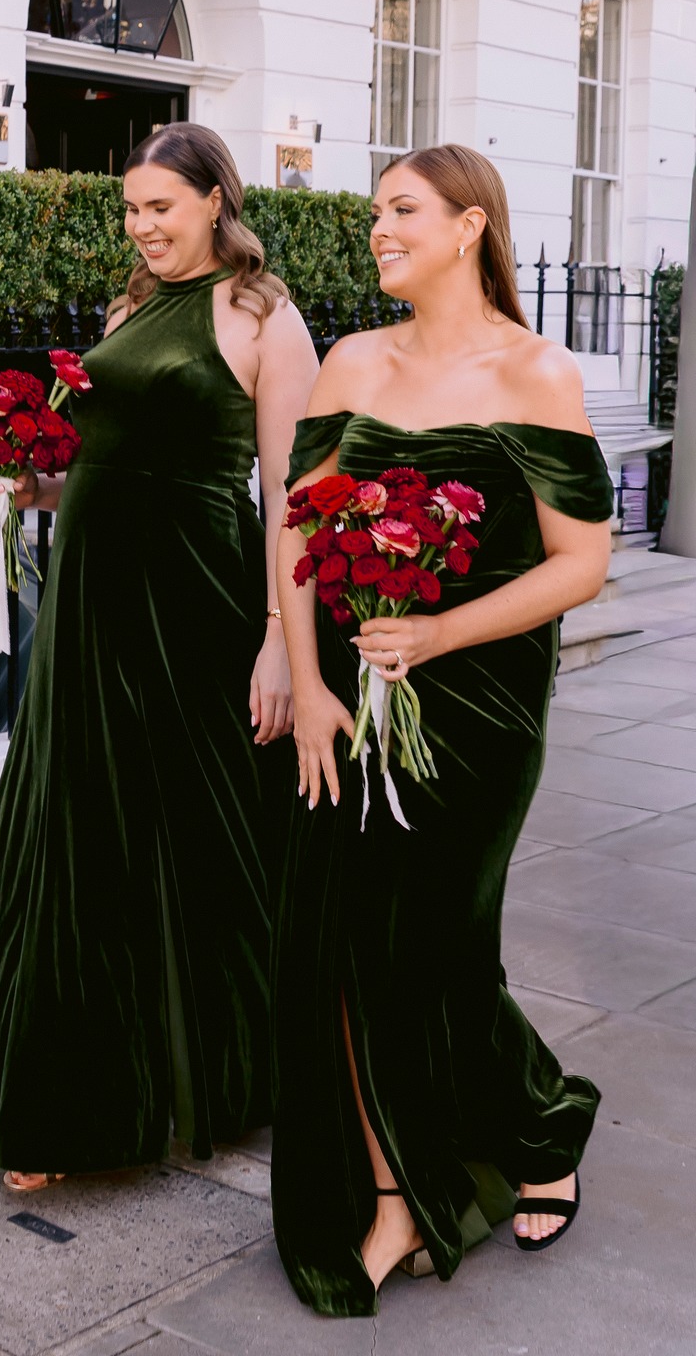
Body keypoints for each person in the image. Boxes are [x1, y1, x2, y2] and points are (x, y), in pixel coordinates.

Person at [0, 123, 318, 1186]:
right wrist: (33, 484)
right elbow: (103, 456)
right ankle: (63, 1098)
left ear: (216, 201)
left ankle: (218, 1078)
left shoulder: (265, 316)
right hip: (91, 598)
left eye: (161, 208)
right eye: (132, 210)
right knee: (76, 825)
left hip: (195, 599)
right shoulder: (127, 308)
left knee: (198, 830)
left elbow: (293, 498)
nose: (143, 228)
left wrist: (282, 641)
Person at [272, 145, 612, 1316]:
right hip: (352, 697)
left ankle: (542, 1122)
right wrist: (308, 680)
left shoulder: (537, 373)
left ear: (470, 226)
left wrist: (440, 634)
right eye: (375, 212)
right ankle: (391, 1200)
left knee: (442, 947)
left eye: (400, 210)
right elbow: (296, 528)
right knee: (352, 945)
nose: (378, 228)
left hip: (479, 704)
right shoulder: (352, 359)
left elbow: (584, 564)